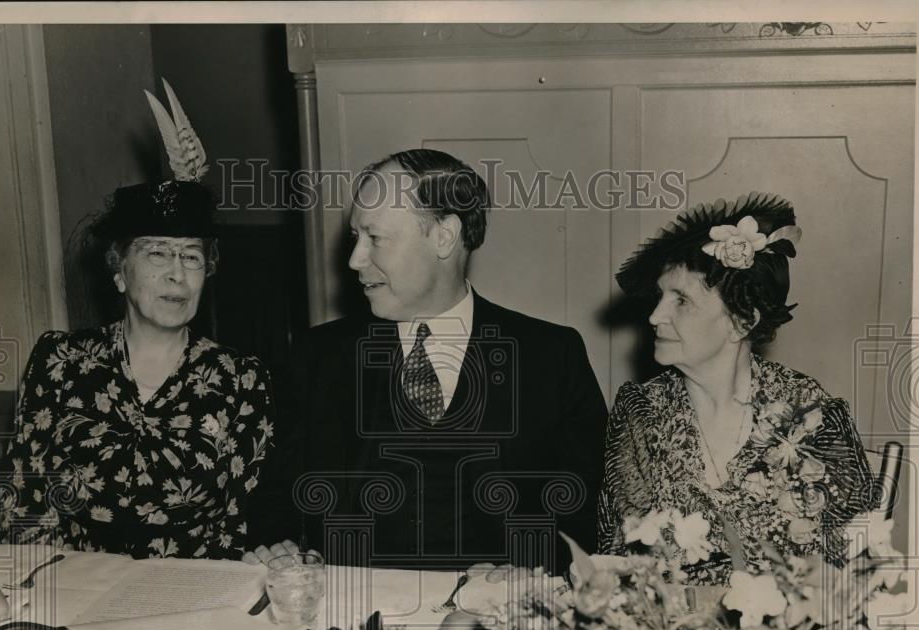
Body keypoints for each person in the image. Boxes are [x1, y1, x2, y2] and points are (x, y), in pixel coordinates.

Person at [252, 149, 606, 573]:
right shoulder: (318, 356)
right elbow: (278, 494)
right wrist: (279, 546)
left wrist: (533, 570)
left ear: (444, 236)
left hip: (500, 606)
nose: (355, 259)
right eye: (355, 237)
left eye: (375, 238)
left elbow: (586, 506)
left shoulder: (552, 356)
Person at [0, 85, 273, 559]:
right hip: (75, 586)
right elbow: (26, 510)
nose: (177, 273)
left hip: (193, 592)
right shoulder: (60, 362)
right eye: (157, 253)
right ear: (119, 270)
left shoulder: (241, 379)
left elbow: (238, 526)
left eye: (191, 256)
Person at [597, 193, 875, 585]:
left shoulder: (806, 410)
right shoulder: (641, 411)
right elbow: (620, 562)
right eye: (661, 296)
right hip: (673, 619)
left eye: (681, 300)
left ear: (741, 322)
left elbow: (852, 564)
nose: (655, 316)